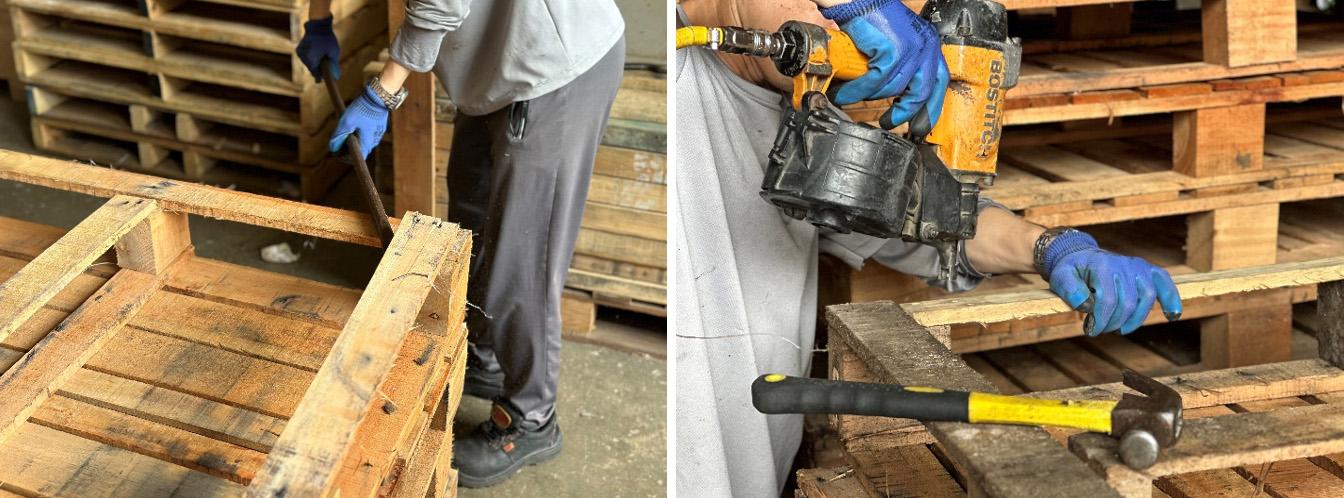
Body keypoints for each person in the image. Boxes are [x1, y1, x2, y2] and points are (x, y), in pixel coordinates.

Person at [674, 0, 1184, 495]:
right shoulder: (672, 75)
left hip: (753, 471)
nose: (878, 44)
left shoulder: (813, 122)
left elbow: (938, 230)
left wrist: (1054, 248)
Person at [296, 1, 626, 488]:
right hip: (497, 63)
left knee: (522, 259)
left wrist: (382, 94)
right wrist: (319, 18)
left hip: (550, 64)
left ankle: (531, 419)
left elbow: (440, 3)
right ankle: (489, 361)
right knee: (472, 218)